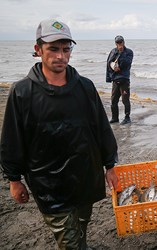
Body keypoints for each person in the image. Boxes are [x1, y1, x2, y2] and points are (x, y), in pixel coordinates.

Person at [0, 19, 119, 250]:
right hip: (48, 184)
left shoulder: (84, 87)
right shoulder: (22, 92)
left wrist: (110, 165)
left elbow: (101, 128)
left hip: (85, 176)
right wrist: (14, 180)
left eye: (66, 49)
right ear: (38, 50)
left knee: (82, 224)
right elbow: (11, 141)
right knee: (69, 240)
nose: (61, 56)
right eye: (53, 49)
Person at [106, 35, 134, 125]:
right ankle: (115, 118)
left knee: (125, 100)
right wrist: (112, 68)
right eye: (118, 42)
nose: (119, 44)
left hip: (124, 80)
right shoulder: (113, 51)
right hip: (115, 79)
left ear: (123, 42)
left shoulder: (129, 52)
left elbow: (127, 63)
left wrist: (121, 53)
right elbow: (108, 62)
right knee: (113, 100)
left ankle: (127, 118)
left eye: (121, 42)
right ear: (115, 43)